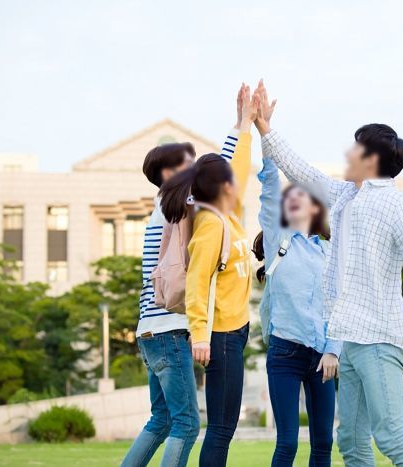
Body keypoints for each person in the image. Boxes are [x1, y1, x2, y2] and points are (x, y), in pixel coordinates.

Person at [253, 81, 403, 467]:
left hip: (380, 338)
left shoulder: (396, 202)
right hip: (350, 341)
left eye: (355, 147)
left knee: (390, 436)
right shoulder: (343, 197)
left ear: (369, 158)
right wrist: (265, 129)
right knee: (351, 442)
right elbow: (300, 169)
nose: (347, 152)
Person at [121, 86, 248, 467]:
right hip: (170, 329)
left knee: (161, 420)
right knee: (187, 424)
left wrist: (240, 125)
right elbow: (218, 172)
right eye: (187, 164)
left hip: (148, 330)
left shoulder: (163, 210)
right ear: (169, 173)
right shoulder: (174, 203)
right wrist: (241, 126)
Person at [160, 87, 257, 467]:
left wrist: (244, 124)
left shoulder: (226, 213)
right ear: (221, 188)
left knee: (223, 425)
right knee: (221, 426)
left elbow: (241, 167)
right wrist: (200, 334)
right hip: (219, 335)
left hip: (235, 329)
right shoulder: (210, 224)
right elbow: (198, 282)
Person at [252, 152, 342, 466]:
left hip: (323, 357)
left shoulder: (330, 251)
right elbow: (270, 187)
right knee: (287, 442)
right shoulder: (279, 239)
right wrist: (266, 135)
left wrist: (333, 349)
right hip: (285, 352)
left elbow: (339, 304)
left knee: (323, 443)